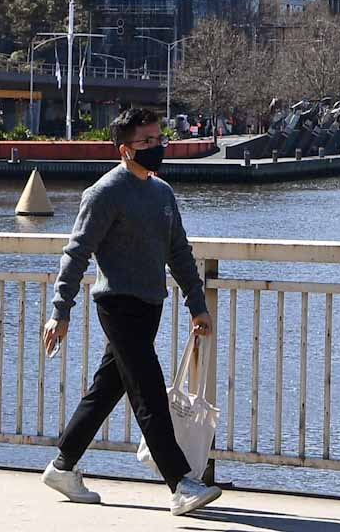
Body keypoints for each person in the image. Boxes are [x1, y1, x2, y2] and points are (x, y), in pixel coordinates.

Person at [41, 107, 222, 516]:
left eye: (159, 140)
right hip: (117, 304)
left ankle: (62, 465)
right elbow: (77, 254)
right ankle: (181, 483)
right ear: (125, 150)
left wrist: (197, 305)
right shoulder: (105, 193)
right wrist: (60, 310)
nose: (156, 148)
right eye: (147, 142)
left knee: (107, 389)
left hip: (151, 304)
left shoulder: (162, 193)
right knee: (150, 392)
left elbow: (179, 252)